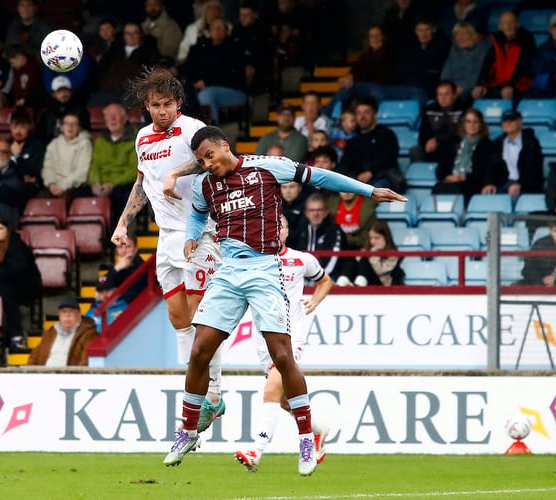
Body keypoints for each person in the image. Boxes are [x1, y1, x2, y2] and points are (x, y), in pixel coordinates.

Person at [160, 125, 405, 473]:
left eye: (209, 156)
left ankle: (306, 440)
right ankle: (187, 431)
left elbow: (318, 176)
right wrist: (191, 236)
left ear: (224, 146)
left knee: (282, 357)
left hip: (264, 270)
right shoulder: (205, 185)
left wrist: (369, 191)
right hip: (228, 271)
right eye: (201, 161)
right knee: (200, 350)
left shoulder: (266, 167)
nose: (207, 164)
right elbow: (198, 214)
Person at [110, 67, 224, 431]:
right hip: (166, 237)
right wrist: (123, 221)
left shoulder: (191, 129)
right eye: (156, 105)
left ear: (179, 104)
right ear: (147, 106)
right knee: (179, 319)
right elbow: (143, 182)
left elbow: (219, 153)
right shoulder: (143, 138)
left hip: (200, 232)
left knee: (203, 317)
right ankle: (198, 390)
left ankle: (213, 396)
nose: (162, 111)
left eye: (168, 104)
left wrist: (179, 172)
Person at [234, 215, 334, 472]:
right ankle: (317, 430)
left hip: (292, 335)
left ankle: (256, 450)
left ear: (287, 231)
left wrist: (315, 300)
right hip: (262, 336)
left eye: (280, 225)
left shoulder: (302, 259)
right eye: (271, 225)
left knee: (271, 388)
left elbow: (325, 280)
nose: (276, 230)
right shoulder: (251, 260)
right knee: (284, 398)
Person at [0, 215, 42, 353]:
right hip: (3, 282)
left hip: (27, 285)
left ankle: (16, 336)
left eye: (0, 228)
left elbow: (14, 271)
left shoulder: (17, 246)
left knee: (4, 292)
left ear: (8, 230)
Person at [181, 17, 247, 125]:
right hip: (200, 88)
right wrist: (196, 82)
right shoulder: (201, 47)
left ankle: (212, 133)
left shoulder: (234, 48)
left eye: (220, 28)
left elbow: (229, 74)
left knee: (206, 95)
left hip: (232, 90)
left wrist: (206, 82)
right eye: (214, 28)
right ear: (209, 31)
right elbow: (189, 68)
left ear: (226, 31)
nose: (217, 30)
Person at [433, 108, 505, 204]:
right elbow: (441, 167)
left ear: (480, 125)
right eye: (468, 122)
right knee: (439, 188)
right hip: (451, 181)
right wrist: (448, 177)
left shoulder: (488, 146)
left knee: (460, 189)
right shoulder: (453, 143)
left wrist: (463, 178)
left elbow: (486, 171)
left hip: (472, 184)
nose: (472, 125)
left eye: (475, 122)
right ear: (464, 124)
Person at [323, 25, 396, 119]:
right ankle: (337, 118)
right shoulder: (365, 55)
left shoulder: (389, 52)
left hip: (381, 87)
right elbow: (356, 69)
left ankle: (326, 113)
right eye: (372, 36)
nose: (375, 38)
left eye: (377, 35)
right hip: (365, 87)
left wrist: (353, 77)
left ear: (382, 37)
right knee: (346, 86)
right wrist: (349, 76)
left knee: (351, 87)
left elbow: (376, 72)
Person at [88, 103, 139, 230]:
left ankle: (126, 241)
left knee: (127, 198)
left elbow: (134, 170)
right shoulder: (100, 141)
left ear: (125, 118)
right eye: (109, 116)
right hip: (103, 186)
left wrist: (113, 184)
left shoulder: (135, 139)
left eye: (115, 116)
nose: (112, 119)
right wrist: (95, 183)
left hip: (124, 185)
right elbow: (94, 166)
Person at [340, 96, 405, 193]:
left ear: (374, 115)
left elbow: (389, 158)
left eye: (366, 112)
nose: (362, 117)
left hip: (384, 178)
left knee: (375, 189)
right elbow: (346, 163)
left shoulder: (386, 134)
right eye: (358, 113)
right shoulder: (353, 140)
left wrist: (371, 172)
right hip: (358, 180)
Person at [93, 22, 161, 107]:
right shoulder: (114, 50)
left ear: (140, 35)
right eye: (127, 33)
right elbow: (101, 69)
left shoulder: (148, 52)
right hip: (109, 89)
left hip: (131, 92)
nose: (130, 36)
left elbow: (150, 72)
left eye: (134, 33)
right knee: (94, 102)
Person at [472, 11, 535, 102]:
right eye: (505, 23)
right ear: (500, 26)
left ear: (518, 24)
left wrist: (511, 85)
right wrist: (481, 84)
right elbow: (488, 65)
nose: (508, 25)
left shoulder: (527, 41)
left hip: (519, 85)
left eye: (511, 22)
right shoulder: (496, 42)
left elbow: (523, 67)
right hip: (497, 84)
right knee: (477, 94)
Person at [291, 193, 352, 281]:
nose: (316, 214)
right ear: (306, 213)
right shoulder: (301, 230)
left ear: (326, 212)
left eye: (319, 210)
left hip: (328, 281)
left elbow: (333, 262)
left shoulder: (335, 231)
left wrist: (317, 278)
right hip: (303, 281)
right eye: (312, 210)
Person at [28, 296, 97, 366]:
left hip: (69, 375)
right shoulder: (50, 333)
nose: (67, 315)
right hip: (45, 374)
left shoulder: (88, 334)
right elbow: (34, 357)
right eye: (64, 312)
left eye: (71, 312)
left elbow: (85, 361)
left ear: (79, 315)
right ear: (59, 315)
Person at [42, 111, 93, 203]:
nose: (70, 127)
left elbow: (81, 172)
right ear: (62, 127)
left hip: (75, 187)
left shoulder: (85, 144)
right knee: (40, 200)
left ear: (78, 127)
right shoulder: (53, 144)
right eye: (67, 123)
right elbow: (48, 168)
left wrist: (62, 186)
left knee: (62, 200)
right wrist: (51, 184)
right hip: (54, 185)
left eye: (74, 124)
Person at [491, 110, 544, 198]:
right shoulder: (497, 143)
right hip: (503, 184)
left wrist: (520, 184)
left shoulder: (531, 143)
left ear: (520, 122)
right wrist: (489, 183)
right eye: (505, 121)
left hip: (526, 185)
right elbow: (491, 166)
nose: (508, 123)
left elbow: (533, 169)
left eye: (512, 120)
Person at [410, 80, 465, 164]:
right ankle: (422, 175)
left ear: (454, 95)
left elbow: (461, 134)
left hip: (452, 148)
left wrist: (439, 141)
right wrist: (427, 142)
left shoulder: (463, 110)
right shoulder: (429, 110)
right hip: (432, 148)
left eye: (446, 94)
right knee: (415, 150)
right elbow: (423, 135)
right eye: (440, 94)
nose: (443, 98)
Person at [230, 0, 275, 94]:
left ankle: (245, 96)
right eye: (241, 15)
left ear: (255, 15)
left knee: (248, 70)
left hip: (259, 64)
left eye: (246, 15)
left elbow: (264, 53)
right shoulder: (237, 29)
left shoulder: (264, 29)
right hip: (240, 61)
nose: (242, 18)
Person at [440, 23, 490, 103]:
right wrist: (450, 87)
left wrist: (463, 87)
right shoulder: (454, 50)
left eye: (464, 34)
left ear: (472, 35)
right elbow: (446, 73)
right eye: (457, 35)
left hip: (471, 87)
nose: (460, 38)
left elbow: (479, 73)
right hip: (454, 87)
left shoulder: (482, 49)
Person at [348, 220, 405, 287]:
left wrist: (374, 253)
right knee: (352, 260)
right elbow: (356, 265)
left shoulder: (392, 254)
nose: (373, 241)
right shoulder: (368, 249)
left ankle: (359, 283)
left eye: (377, 238)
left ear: (386, 237)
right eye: (371, 238)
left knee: (364, 260)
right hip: (366, 282)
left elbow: (379, 271)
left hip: (381, 285)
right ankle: (343, 281)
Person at [35, 76, 91, 144]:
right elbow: (41, 137)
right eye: (59, 91)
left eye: (66, 90)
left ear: (71, 92)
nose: (63, 94)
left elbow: (85, 133)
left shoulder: (80, 111)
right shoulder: (46, 112)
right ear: (53, 94)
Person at [8, 107, 46, 200]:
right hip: (7, 183)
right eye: (15, 127)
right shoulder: (5, 145)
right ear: (10, 127)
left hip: (29, 187)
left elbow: (34, 174)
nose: (18, 131)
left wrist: (17, 156)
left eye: (22, 127)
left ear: (29, 127)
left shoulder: (37, 147)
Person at [520, 219, 556, 286]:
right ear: (551, 231)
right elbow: (528, 269)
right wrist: (541, 281)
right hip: (540, 285)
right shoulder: (540, 244)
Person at [176, 0, 228, 65]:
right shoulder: (192, 29)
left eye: (215, 10)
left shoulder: (226, 28)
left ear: (220, 12)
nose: (212, 13)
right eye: (210, 9)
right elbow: (183, 50)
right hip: (193, 63)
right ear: (205, 11)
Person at [6, 44, 44, 109]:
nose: (12, 65)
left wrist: (26, 100)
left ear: (19, 57)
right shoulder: (16, 70)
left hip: (34, 103)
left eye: (12, 62)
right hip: (20, 103)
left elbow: (36, 88)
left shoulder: (34, 67)